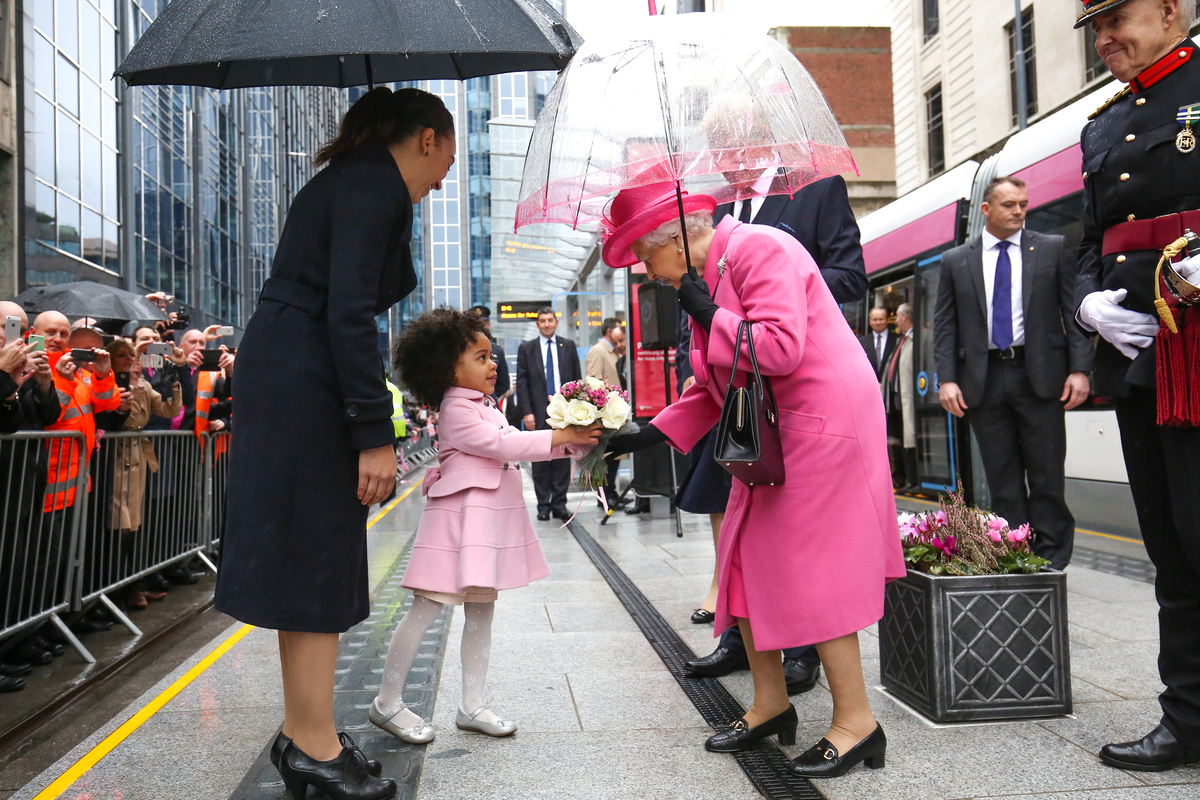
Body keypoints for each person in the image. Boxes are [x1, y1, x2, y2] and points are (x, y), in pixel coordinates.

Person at [605, 182, 905, 777]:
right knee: (742, 556)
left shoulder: (758, 248)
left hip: (821, 423)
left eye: (645, 252)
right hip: (768, 429)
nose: (645, 267)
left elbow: (780, 349)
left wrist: (708, 313)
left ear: (677, 238)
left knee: (809, 566)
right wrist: (652, 431)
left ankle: (857, 722)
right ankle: (770, 703)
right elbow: (714, 380)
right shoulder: (707, 275)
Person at [215, 87, 457, 800]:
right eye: (445, 159)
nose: (442, 179)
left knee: (308, 555)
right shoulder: (371, 188)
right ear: (427, 138)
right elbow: (350, 313)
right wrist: (372, 434)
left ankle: (306, 730)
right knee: (317, 554)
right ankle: (313, 744)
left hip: (291, 364)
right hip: (306, 374)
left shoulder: (355, 181)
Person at [372, 308, 601, 744]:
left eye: (491, 356)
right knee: (425, 610)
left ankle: (471, 705)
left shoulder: (485, 406)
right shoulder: (457, 411)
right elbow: (504, 444)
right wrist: (562, 435)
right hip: (457, 530)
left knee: (481, 612)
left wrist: (571, 445)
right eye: (480, 357)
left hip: (483, 528)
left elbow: (513, 444)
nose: (493, 363)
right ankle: (386, 703)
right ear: (448, 368)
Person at [1072, 0, 1200, 771]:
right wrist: (1086, 304)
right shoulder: (1102, 122)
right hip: (1144, 359)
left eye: (1117, 16)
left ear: (1170, 9)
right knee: (1173, 549)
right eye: (1094, 25)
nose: (1104, 37)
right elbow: (1093, 239)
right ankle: (1186, 719)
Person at [683, 170, 870, 694]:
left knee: (803, 553)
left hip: (806, 404)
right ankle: (764, 686)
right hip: (750, 402)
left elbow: (839, 285)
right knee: (745, 541)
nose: (726, 165)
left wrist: (769, 294)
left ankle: (833, 694)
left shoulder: (778, 225)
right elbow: (715, 333)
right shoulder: (718, 225)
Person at [934, 176, 1093, 569]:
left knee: (1047, 476)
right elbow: (945, 325)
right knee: (1002, 479)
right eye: (1009, 205)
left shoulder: (1052, 249)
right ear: (986, 210)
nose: (1019, 211)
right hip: (983, 382)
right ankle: (1015, 555)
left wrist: (1080, 369)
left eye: (1023, 203)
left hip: (1040, 376)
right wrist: (947, 379)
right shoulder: (957, 260)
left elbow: (1072, 315)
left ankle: (1053, 560)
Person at [106, 339, 182, 611]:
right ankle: (113, 592)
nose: (128, 359)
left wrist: (173, 384)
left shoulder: (145, 386)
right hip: (114, 460)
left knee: (133, 528)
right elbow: (120, 418)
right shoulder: (108, 385)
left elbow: (169, 410)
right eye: (122, 356)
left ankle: (127, 588)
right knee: (119, 529)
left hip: (138, 461)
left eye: (131, 355)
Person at [515, 307, 582, 521]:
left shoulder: (568, 346)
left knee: (562, 457)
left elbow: (577, 380)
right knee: (541, 458)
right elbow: (522, 382)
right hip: (538, 411)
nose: (546, 324)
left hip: (564, 413)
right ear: (537, 324)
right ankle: (543, 505)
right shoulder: (527, 349)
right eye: (542, 320)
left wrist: (577, 411)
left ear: (556, 322)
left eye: (550, 320)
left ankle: (559, 504)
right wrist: (526, 412)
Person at [584, 317, 627, 508]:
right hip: (605, 414)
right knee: (605, 456)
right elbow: (592, 382)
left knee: (616, 453)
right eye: (618, 331)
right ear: (609, 331)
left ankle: (612, 493)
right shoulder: (598, 351)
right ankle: (605, 495)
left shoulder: (615, 352)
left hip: (617, 412)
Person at [882, 304, 918, 492]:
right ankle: (907, 478)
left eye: (896, 317)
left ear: (905, 317)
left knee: (910, 437)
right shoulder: (903, 340)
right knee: (902, 438)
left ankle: (915, 479)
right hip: (897, 399)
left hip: (910, 397)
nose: (895, 321)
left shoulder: (915, 338)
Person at [467, 305, 510, 402]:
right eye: (477, 323)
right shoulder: (463, 349)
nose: (481, 327)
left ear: (489, 325)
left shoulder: (497, 351)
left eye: (484, 323)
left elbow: (503, 384)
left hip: (490, 403)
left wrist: (490, 395)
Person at [859, 307, 899, 380]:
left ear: (887, 320)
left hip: (891, 388)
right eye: (874, 320)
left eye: (881, 319)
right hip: (870, 385)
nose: (878, 323)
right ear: (869, 321)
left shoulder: (897, 340)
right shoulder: (862, 342)